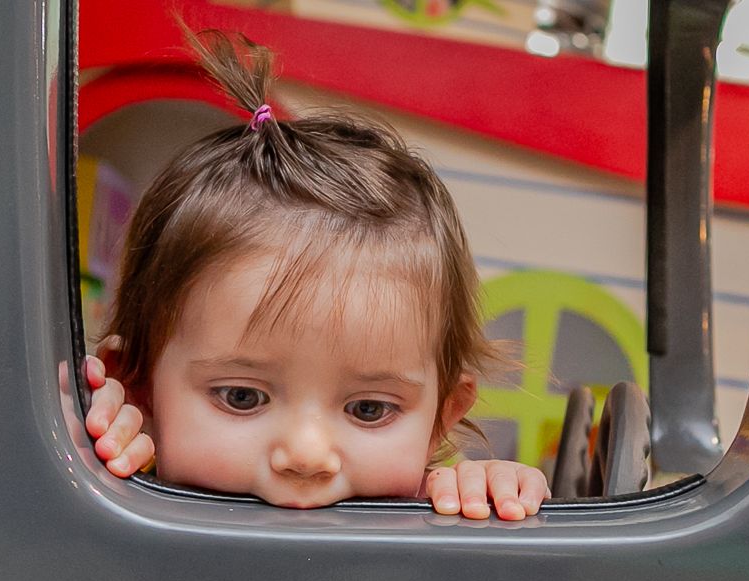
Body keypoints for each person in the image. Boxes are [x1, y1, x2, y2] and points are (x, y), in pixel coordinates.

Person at [80, 26, 549, 521]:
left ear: (443, 416)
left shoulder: (432, 512)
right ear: (139, 387)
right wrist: (95, 444)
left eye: (369, 409)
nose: (306, 456)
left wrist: (486, 504)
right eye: (242, 397)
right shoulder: (125, 508)